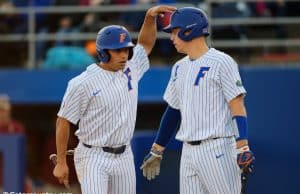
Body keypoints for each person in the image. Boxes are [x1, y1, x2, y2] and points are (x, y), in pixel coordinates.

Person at [52, 5, 176, 194]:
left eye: (126, 50)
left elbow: (145, 45)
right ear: (103, 52)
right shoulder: (82, 82)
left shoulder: (130, 68)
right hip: (93, 154)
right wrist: (61, 162)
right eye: (117, 50)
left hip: (124, 154)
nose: (124, 55)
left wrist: (150, 18)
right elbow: (63, 121)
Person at [140, 7, 255, 194]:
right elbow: (174, 110)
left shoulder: (222, 61)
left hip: (217, 147)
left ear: (189, 30)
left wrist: (243, 145)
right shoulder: (179, 67)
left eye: (175, 32)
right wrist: (157, 149)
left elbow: (237, 103)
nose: (171, 38)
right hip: (188, 152)